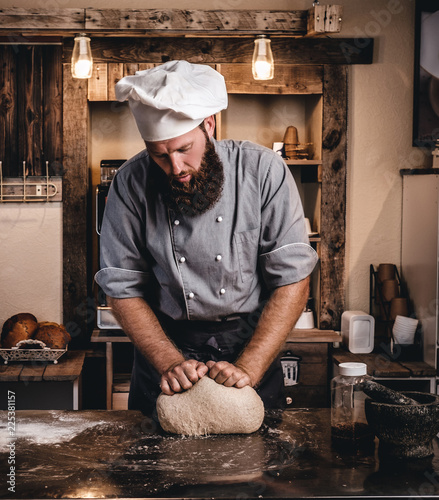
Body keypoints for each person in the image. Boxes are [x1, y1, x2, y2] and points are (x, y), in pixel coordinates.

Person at [95, 60, 318, 417]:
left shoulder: (262, 171)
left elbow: (292, 279)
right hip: (166, 349)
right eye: (160, 156)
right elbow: (122, 287)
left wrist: (250, 366)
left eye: (184, 149)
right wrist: (169, 362)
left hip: (251, 342)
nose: (176, 168)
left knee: (260, 466)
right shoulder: (131, 182)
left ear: (209, 125)